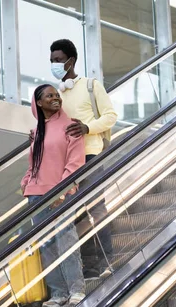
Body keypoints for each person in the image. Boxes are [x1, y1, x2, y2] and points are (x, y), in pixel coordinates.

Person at [49, 39, 119, 279]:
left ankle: (107, 262)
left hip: (91, 154)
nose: (54, 65)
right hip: (68, 162)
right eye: (52, 61)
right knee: (77, 213)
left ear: (71, 60)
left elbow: (111, 116)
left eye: (58, 60)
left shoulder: (91, 85)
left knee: (96, 208)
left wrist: (87, 128)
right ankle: (89, 268)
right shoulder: (57, 95)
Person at [21, 84, 86, 307]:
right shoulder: (37, 131)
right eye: (49, 96)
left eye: (57, 95)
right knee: (46, 245)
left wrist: (63, 190)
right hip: (36, 195)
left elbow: (76, 162)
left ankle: (76, 290)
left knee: (66, 240)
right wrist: (26, 183)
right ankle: (58, 294)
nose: (55, 98)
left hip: (61, 193)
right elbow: (34, 164)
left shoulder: (70, 127)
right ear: (39, 103)